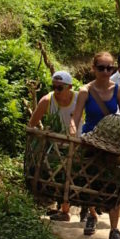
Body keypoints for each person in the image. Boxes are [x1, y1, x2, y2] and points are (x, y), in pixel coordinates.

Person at [70, 51, 120, 239]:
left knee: (114, 185)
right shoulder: (85, 91)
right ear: (93, 69)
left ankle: (114, 230)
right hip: (90, 141)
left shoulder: (118, 91)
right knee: (89, 180)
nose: (106, 72)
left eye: (109, 68)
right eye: (101, 68)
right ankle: (91, 214)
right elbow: (76, 117)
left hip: (112, 142)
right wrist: (73, 131)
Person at [28, 70, 77, 221]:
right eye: (53, 86)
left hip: (77, 143)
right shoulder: (47, 100)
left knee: (72, 176)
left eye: (59, 88)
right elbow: (32, 124)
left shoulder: (79, 98)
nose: (55, 91)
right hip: (55, 145)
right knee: (56, 175)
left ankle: (81, 212)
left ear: (69, 87)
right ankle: (63, 209)